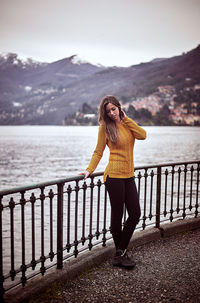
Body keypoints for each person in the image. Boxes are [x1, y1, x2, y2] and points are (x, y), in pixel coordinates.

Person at [80, 95, 146, 268]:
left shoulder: (127, 124)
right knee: (117, 215)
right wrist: (89, 170)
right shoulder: (104, 128)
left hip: (128, 175)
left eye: (113, 109)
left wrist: (126, 119)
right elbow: (98, 152)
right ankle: (121, 254)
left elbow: (143, 135)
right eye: (108, 111)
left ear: (119, 107)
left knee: (135, 213)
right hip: (114, 177)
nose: (111, 113)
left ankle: (120, 252)